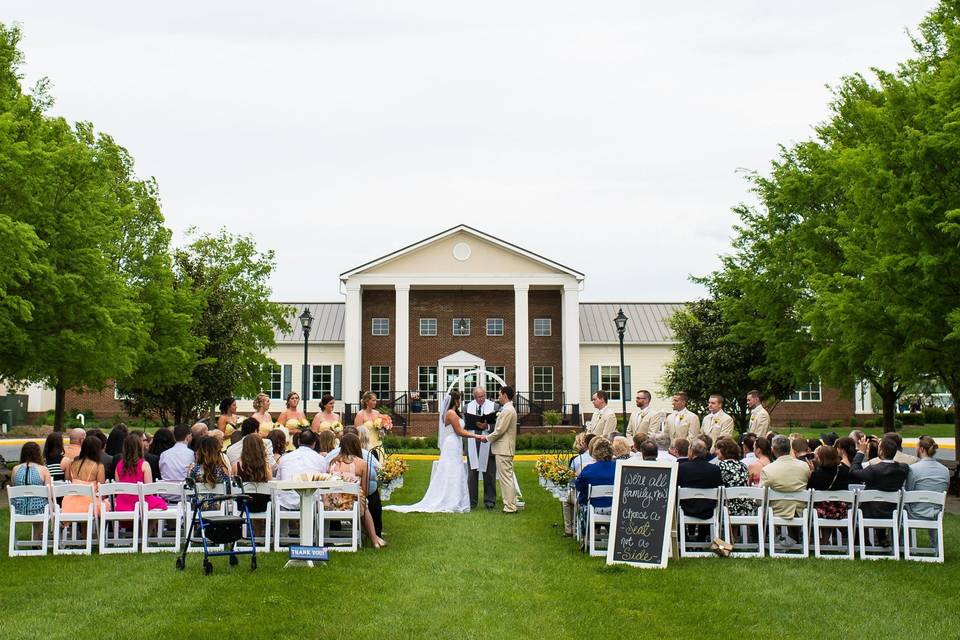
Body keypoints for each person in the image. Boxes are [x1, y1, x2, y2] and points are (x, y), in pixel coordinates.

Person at [385, 390, 473, 513]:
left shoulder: (453, 413)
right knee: (452, 471)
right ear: (456, 400)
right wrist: (476, 436)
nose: (460, 402)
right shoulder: (451, 413)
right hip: (452, 443)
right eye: (459, 399)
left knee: (455, 470)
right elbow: (459, 431)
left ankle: (455, 498)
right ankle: (451, 500)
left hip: (455, 443)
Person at [325, 433, 385, 548]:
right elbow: (365, 489)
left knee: (361, 502)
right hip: (351, 504)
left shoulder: (333, 462)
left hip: (329, 503)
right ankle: (374, 540)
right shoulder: (362, 464)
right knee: (364, 505)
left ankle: (371, 536)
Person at [905, 436, 949, 547]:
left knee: (900, 507)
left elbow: (908, 492)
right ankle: (936, 546)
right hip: (937, 513)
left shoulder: (913, 469)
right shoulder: (945, 470)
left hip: (915, 513)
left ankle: (902, 545)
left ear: (921, 449)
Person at [850, 436, 908, 519]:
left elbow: (853, 472)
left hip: (870, 512)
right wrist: (886, 443)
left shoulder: (873, 469)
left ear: (881, 451)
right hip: (893, 512)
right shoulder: (903, 469)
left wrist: (861, 452)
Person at [482, 386, 519, 514]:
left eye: (499, 394)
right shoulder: (507, 409)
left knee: (506, 478)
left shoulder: (508, 410)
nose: (498, 397)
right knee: (506, 478)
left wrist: (486, 438)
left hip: (503, 449)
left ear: (505, 395)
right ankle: (510, 504)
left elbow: (499, 431)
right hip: (503, 448)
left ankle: (510, 506)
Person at [677, 439, 723, 540]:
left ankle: (684, 538)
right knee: (706, 501)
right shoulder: (715, 469)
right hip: (708, 509)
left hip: (686, 509)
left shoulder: (681, 468)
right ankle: (701, 538)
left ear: (692, 452)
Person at [575, 437, 617, 543]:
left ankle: (586, 535)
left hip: (594, 508)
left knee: (582, 502)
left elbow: (579, 486)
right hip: (617, 508)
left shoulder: (589, 469)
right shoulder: (620, 468)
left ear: (594, 452)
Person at [275, 429, 329, 510]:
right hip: (311, 503)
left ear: (299, 441)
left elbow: (278, 480)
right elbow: (324, 483)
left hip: (287, 502)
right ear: (314, 443)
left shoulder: (285, 458)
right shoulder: (320, 459)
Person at [759, 435, 811, 518]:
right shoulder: (804, 466)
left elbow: (760, 498)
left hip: (776, 512)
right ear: (790, 448)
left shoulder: (767, 470)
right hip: (799, 511)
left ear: (773, 450)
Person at [464, 386, 498, 510]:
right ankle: (471, 501)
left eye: (483, 395)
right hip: (473, 442)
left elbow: (498, 425)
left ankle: (490, 501)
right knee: (472, 474)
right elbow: (464, 425)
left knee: (489, 474)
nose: (481, 398)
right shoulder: (467, 407)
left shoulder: (494, 406)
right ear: (474, 397)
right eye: (478, 397)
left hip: (487, 443)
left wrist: (487, 426)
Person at [114, 433, 167, 512]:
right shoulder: (144, 465)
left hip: (122, 504)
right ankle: (149, 524)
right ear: (140, 447)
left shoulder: (118, 465)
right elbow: (149, 490)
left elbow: (118, 487)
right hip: (140, 503)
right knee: (160, 504)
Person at [62, 437, 108, 516]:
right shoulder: (98, 466)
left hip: (70, 504)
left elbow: (69, 482)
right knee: (105, 506)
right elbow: (102, 493)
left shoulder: (72, 464)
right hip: (90, 505)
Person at [808, 445, 850, 523]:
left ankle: (824, 536)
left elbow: (809, 491)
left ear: (820, 458)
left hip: (822, 513)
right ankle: (846, 534)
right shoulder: (844, 471)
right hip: (841, 511)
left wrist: (812, 472)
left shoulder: (817, 475)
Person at [232, 435, 272, 514]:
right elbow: (270, 485)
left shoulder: (236, 467)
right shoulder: (266, 467)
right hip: (262, 505)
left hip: (242, 505)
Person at [715, 437, 753, 517]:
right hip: (744, 507)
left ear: (724, 450)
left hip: (728, 508)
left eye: (718, 449)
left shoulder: (721, 466)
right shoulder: (743, 466)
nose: (716, 452)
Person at [11, 442, 51, 516]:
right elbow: (49, 493)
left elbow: (14, 486)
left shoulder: (15, 469)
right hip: (40, 509)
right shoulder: (43, 469)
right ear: (38, 454)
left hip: (18, 509)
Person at [358, 425, 384, 538]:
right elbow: (377, 470)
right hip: (366, 488)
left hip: (359, 488)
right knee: (374, 501)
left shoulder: (369, 452)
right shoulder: (371, 452)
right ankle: (376, 532)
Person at [354, 392, 386, 461]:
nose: (375, 402)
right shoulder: (360, 414)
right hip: (366, 443)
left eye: (376, 400)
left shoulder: (377, 413)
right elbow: (357, 432)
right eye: (373, 400)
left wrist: (383, 428)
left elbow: (381, 429)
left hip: (377, 442)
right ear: (367, 401)